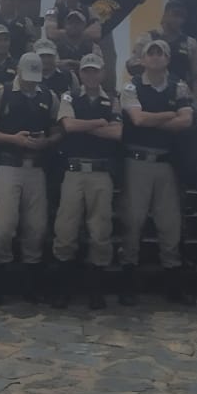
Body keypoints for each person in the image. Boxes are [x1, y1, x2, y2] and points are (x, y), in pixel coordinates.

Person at [0, 52, 59, 305]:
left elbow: (58, 129)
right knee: (3, 227)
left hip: (36, 167)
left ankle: (30, 284)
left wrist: (46, 142)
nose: (31, 83)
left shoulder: (48, 96)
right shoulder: (1, 93)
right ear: (19, 73)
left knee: (36, 229)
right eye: (28, 78)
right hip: (8, 164)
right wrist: (13, 139)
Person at [118, 41, 195, 305]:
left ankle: (173, 284)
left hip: (166, 163)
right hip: (137, 161)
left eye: (159, 52)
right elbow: (137, 120)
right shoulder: (131, 86)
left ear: (168, 58)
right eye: (150, 53)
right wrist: (169, 115)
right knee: (133, 221)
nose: (154, 57)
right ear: (142, 59)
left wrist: (154, 118)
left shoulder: (179, 85)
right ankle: (127, 282)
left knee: (170, 224)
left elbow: (187, 121)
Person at [53, 53, 122, 310]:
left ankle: (96, 290)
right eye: (87, 71)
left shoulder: (112, 99)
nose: (91, 75)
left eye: (95, 71)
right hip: (74, 172)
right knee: (66, 231)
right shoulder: (70, 97)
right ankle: (63, 289)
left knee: (100, 232)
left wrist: (86, 126)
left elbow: (117, 132)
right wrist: (98, 123)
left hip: (101, 173)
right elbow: (68, 126)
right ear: (80, 74)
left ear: (102, 73)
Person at [128, 1, 195, 82]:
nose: (179, 20)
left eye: (182, 17)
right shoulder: (147, 38)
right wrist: (150, 63)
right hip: (149, 88)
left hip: (179, 90)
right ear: (165, 15)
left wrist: (195, 93)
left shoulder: (190, 43)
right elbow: (131, 66)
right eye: (175, 14)